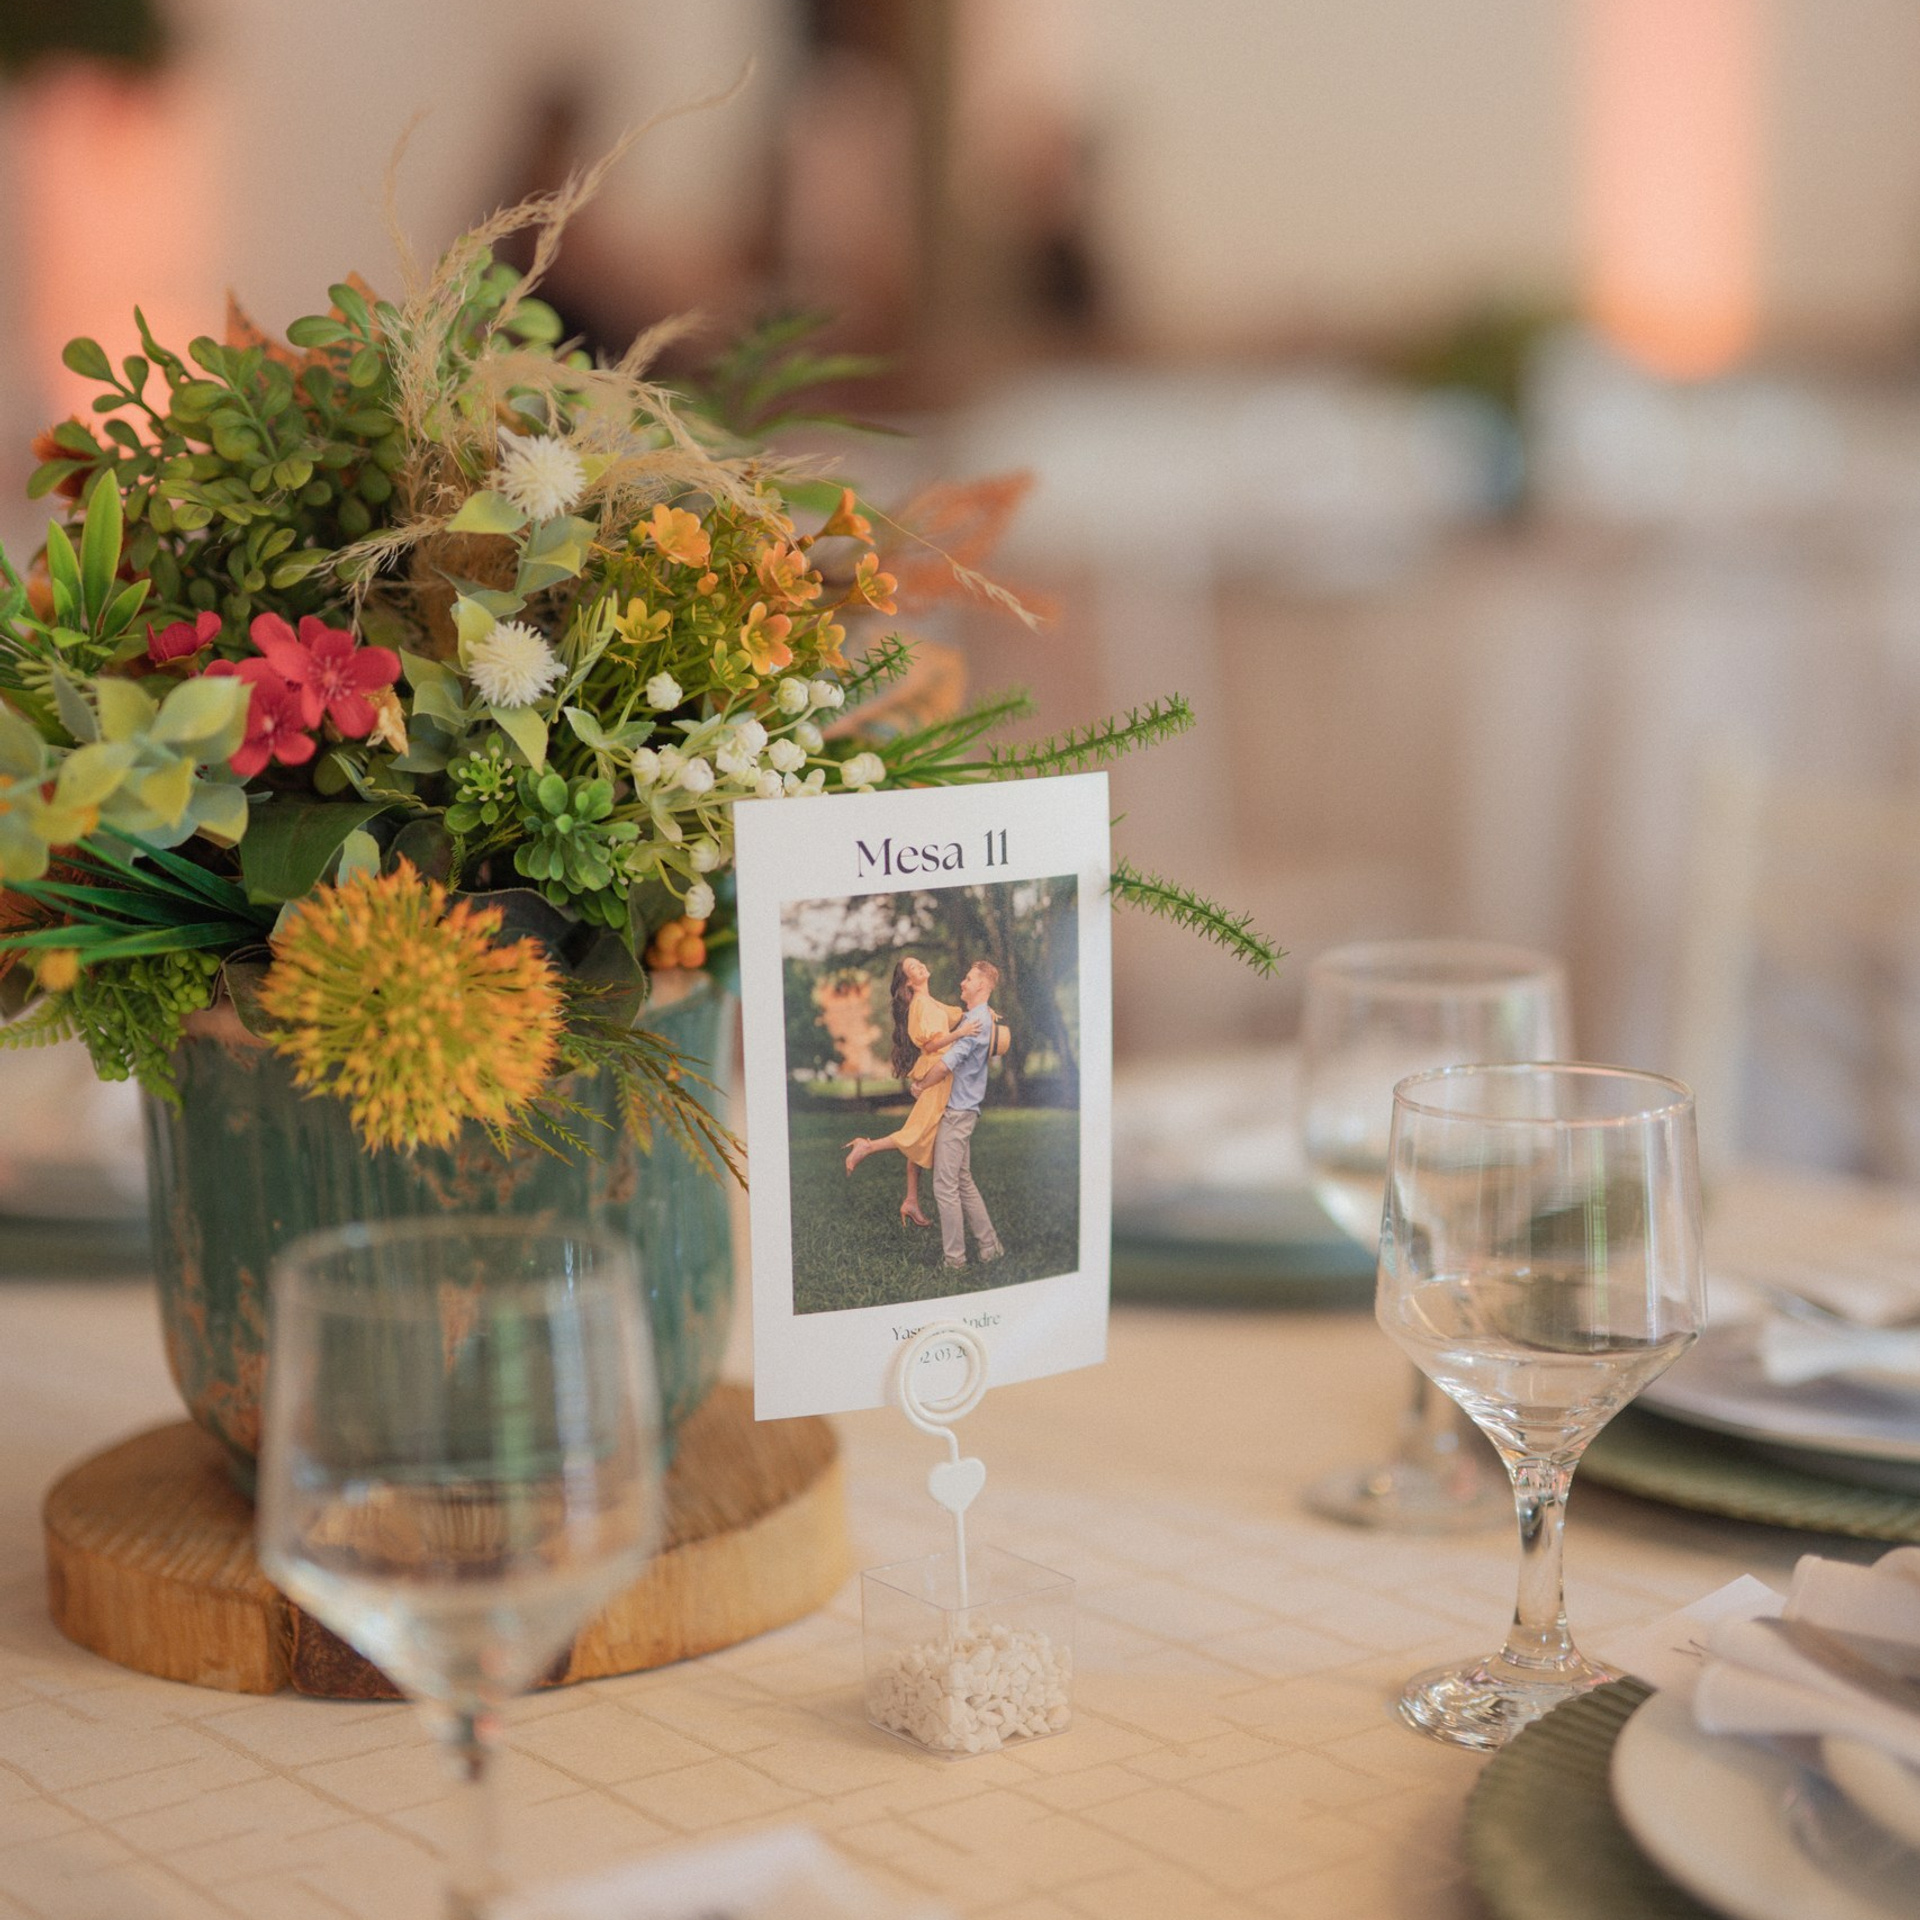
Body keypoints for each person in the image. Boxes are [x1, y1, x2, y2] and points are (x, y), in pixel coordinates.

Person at [843, 957, 960, 1226]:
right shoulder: (920, 1004)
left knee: (920, 1135)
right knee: (916, 1133)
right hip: (938, 1074)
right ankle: (867, 1146)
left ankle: (911, 1201)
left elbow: (957, 1015)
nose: (920, 966)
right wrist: (961, 1034)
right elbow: (931, 1045)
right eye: (913, 968)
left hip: (941, 1072)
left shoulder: (930, 1002)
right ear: (909, 982)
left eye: (920, 962)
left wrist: (981, 1013)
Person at [916, 959, 1006, 1272]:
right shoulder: (977, 1016)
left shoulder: (978, 1021)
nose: (962, 983)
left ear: (981, 985)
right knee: (962, 1180)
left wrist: (921, 1085)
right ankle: (990, 1247)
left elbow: (945, 1065)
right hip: (963, 1110)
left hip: (957, 1112)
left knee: (944, 1186)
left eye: (968, 979)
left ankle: (955, 1262)